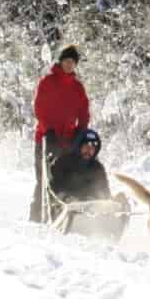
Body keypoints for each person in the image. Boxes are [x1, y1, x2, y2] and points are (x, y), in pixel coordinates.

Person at [30, 45, 90, 223]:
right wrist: (48, 129)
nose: (69, 65)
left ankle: (62, 218)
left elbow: (84, 111)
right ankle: (36, 219)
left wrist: (82, 129)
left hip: (68, 142)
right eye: (67, 61)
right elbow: (39, 108)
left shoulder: (78, 87)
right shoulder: (47, 82)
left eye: (73, 62)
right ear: (61, 61)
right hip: (46, 139)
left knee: (67, 181)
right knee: (45, 181)